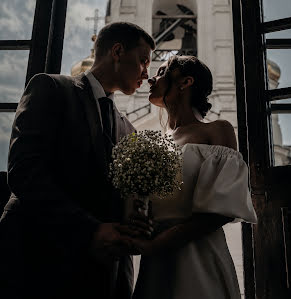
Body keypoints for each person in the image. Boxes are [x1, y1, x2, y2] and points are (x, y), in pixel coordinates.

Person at [0, 22, 155, 299]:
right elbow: (24, 171)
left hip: (102, 274)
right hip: (38, 257)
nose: (147, 72)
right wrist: (90, 230)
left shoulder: (130, 131)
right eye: (143, 61)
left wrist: (136, 222)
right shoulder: (51, 88)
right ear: (117, 51)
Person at [132, 55, 257, 299]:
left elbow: (223, 208)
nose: (151, 80)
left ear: (185, 82)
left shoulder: (217, 130)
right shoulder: (153, 142)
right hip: (155, 260)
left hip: (196, 256)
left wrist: (159, 243)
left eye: (161, 72)